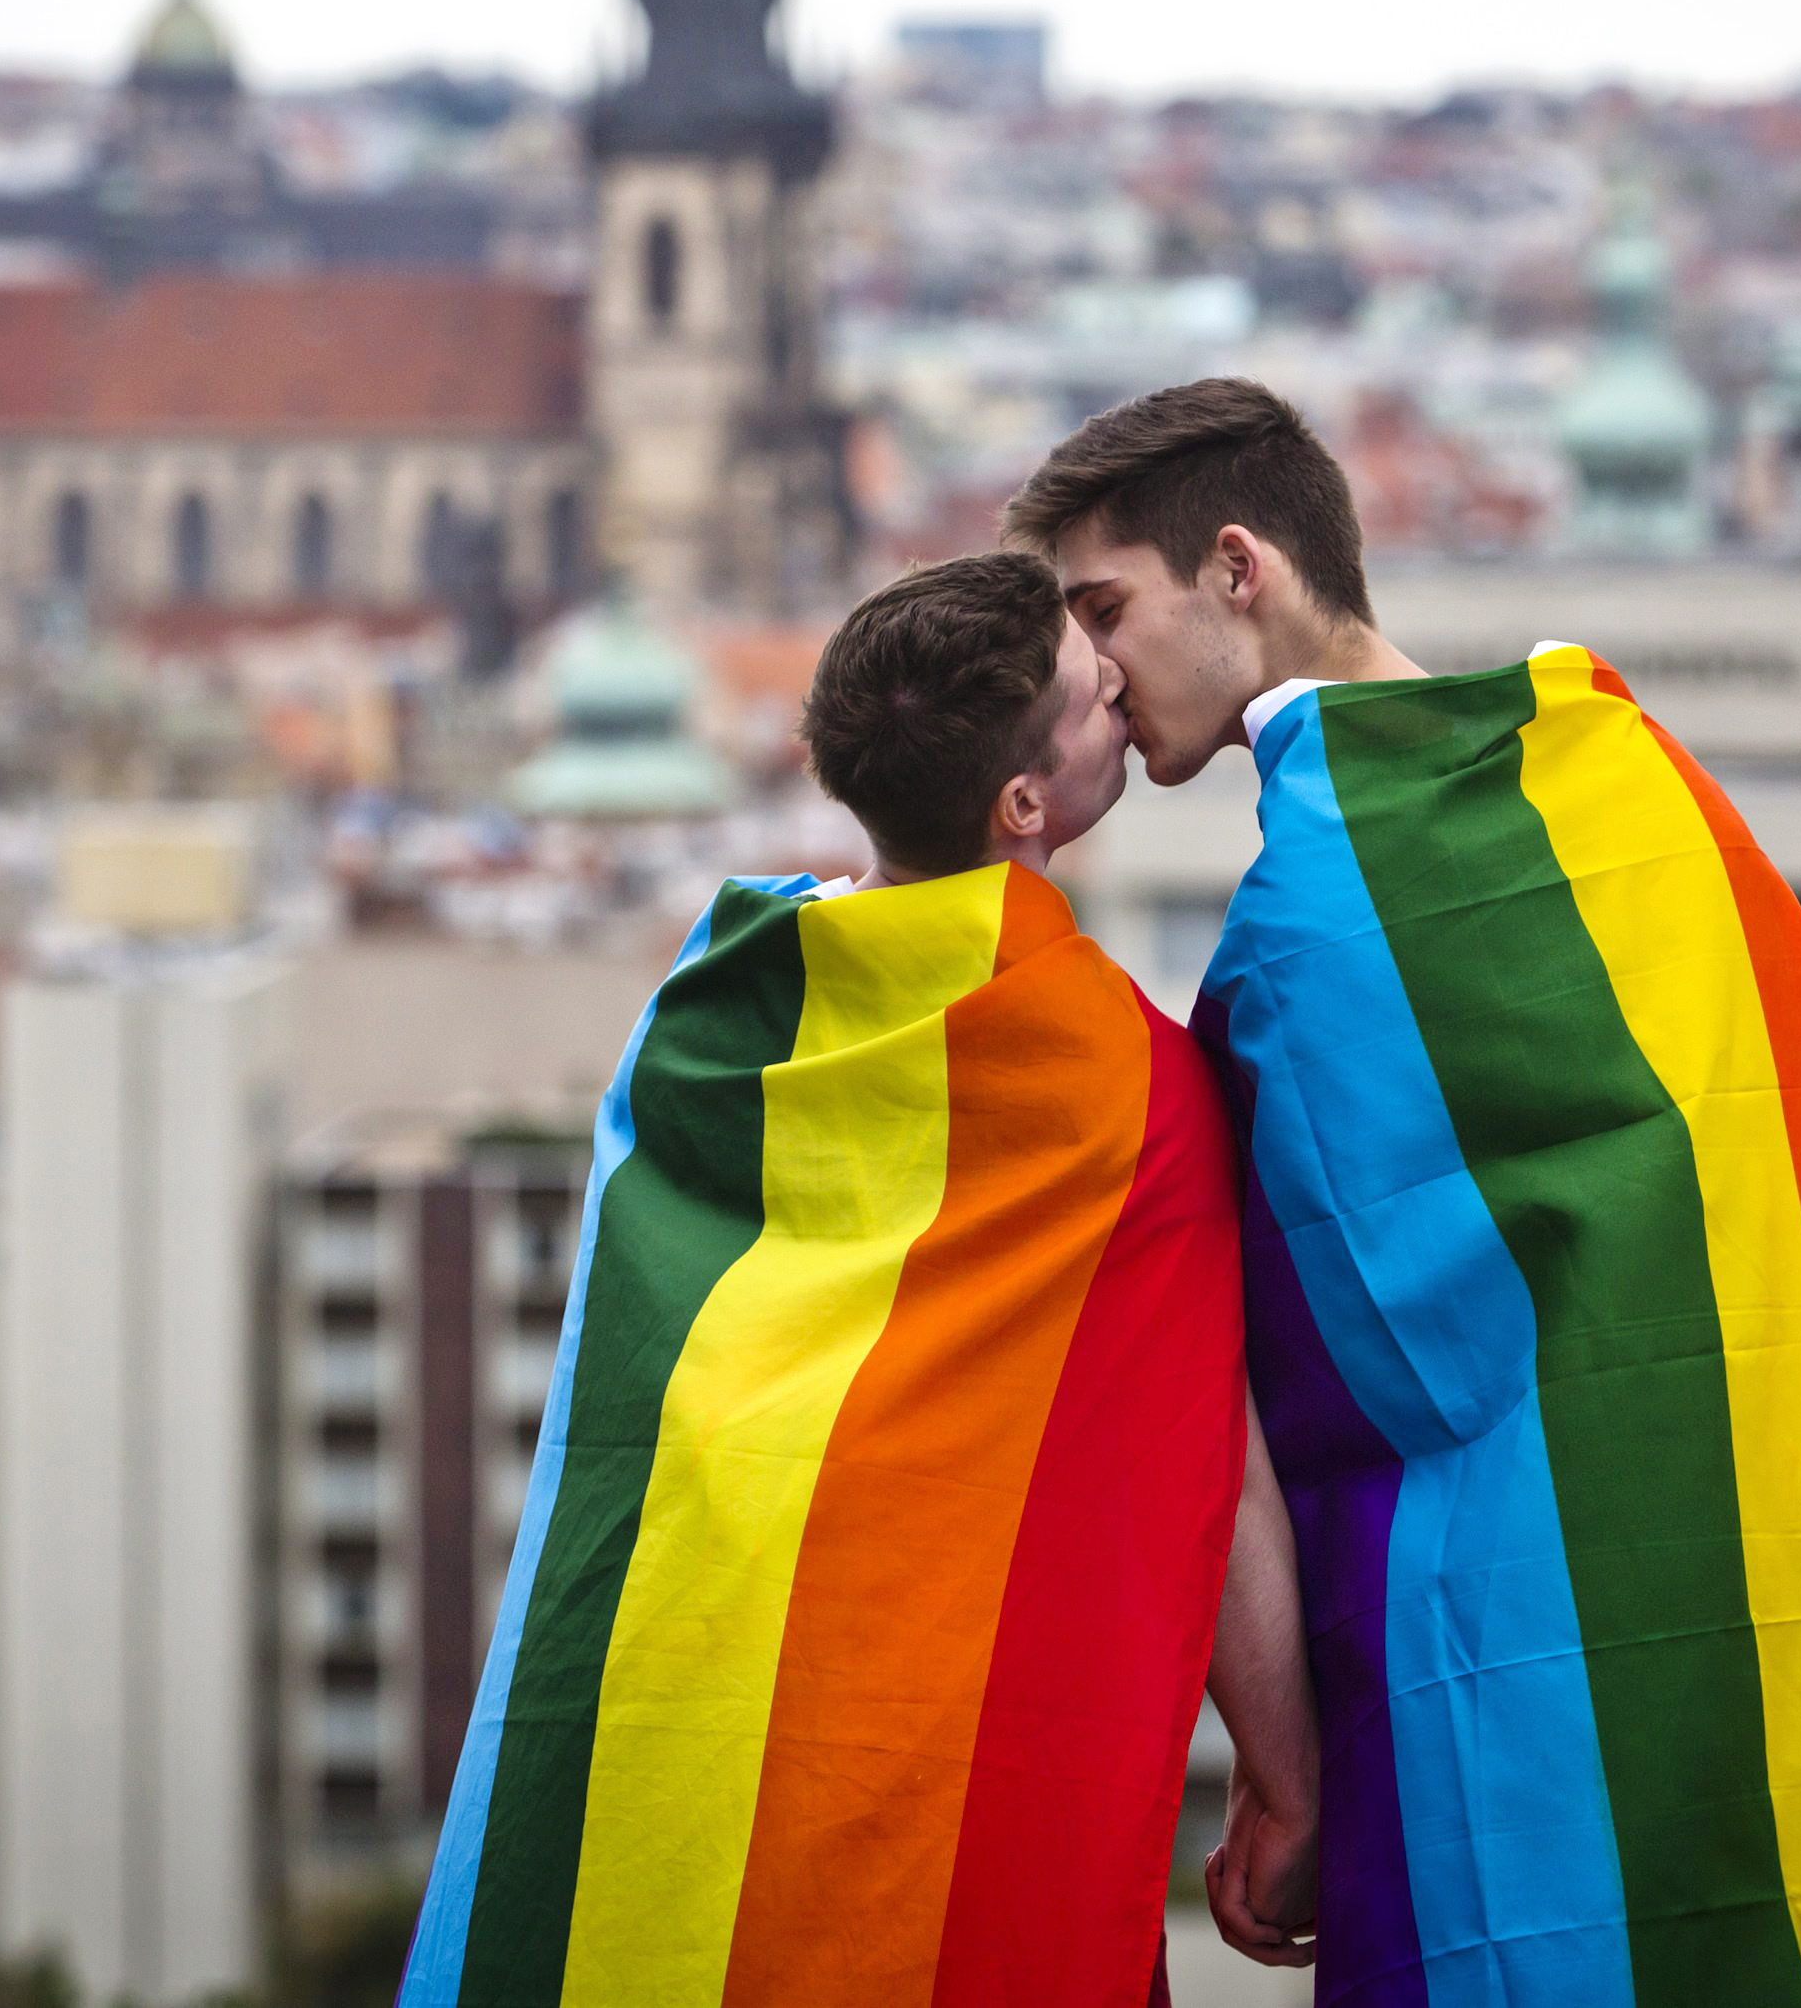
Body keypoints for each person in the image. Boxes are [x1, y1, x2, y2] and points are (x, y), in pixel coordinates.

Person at [1007, 385, 1801, 2007]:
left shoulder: (1306, 929)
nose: (1092, 671)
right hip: (1793, 1581)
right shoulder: (1619, 778)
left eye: (1105, 610)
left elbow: (1265, 1375)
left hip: (1507, 1678)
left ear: (1238, 567)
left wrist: (1285, 1763)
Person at [399, 552, 1305, 2008]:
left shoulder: (709, 1006)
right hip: (932, 1721)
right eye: (1088, 693)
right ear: (1023, 804)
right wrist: (1291, 1777)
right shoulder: (1122, 1087)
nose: (1118, 683)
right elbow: (1219, 1457)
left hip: (681, 1705)